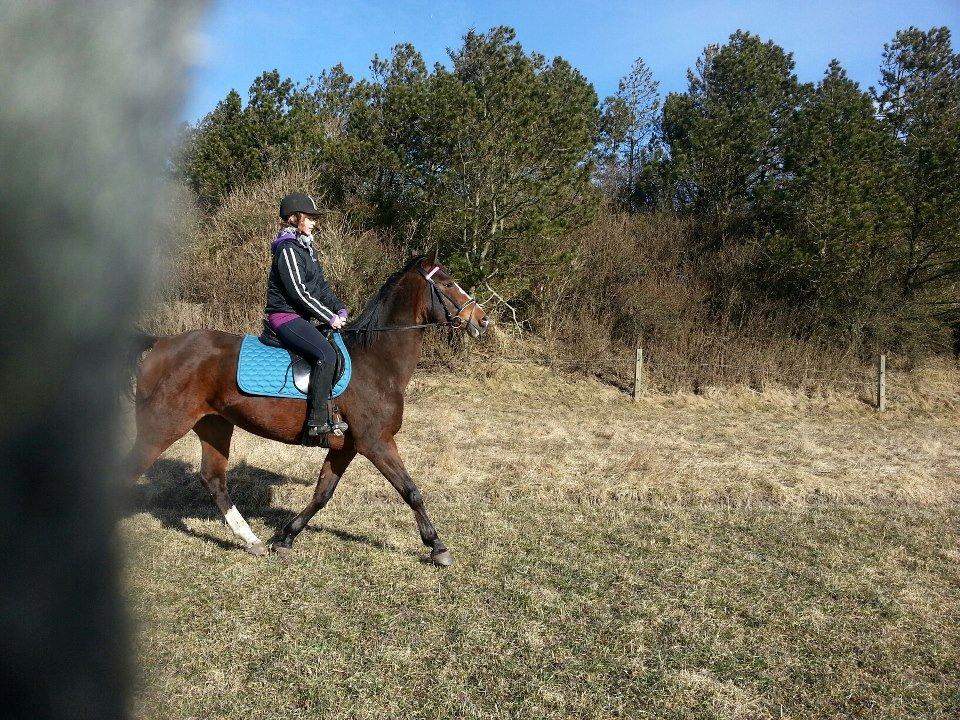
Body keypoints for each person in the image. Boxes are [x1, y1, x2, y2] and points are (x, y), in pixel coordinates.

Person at [264, 192, 349, 446]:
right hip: (284, 317)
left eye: (314, 218)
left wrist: (340, 308)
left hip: (301, 318)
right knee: (327, 354)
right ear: (294, 218)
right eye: (309, 217)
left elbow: (320, 287)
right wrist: (329, 317)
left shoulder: (307, 250)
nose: (313, 222)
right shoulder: (288, 249)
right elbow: (299, 293)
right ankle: (317, 420)